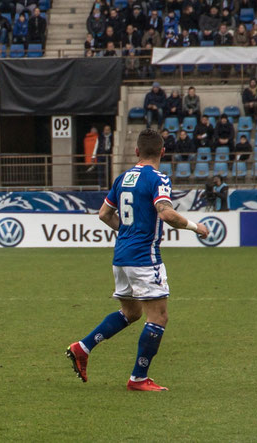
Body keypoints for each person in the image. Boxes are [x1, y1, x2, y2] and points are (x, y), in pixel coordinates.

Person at [66, 129, 208, 392]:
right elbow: (165, 213)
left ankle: (82, 347)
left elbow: (104, 214)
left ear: (136, 152)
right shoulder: (158, 178)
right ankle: (138, 378)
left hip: (121, 257)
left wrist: (128, 231)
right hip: (144, 258)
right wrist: (194, 226)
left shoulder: (123, 178)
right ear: (163, 152)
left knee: (132, 313)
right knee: (159, 317)